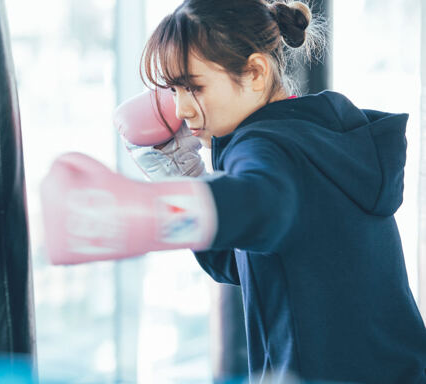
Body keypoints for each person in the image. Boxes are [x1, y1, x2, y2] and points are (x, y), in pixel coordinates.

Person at [41, 0, 426, 382]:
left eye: (194, 88)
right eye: (174, 91)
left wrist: (145, 213)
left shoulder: (263, 146)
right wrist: (187, 177)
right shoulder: (319, 136)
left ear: (255, 72)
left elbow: (263, 205)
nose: (182, 111)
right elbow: (247, 259)